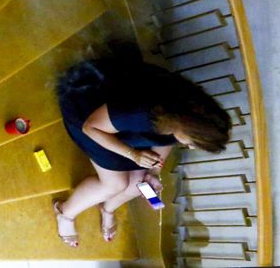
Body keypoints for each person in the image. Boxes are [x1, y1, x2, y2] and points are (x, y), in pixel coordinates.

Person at [53, 44, 231, 247]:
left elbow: (167, 139)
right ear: (186, 128)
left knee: (140, 183)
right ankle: (64, 213)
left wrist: (153, 171)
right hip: (85, 108)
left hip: (118, 119)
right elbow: (91, 127)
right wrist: (132, 154)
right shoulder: (142, 113)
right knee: (115, 184)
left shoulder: (186, 111)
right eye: (191, 142)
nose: (189, 147)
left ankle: (107, 209)